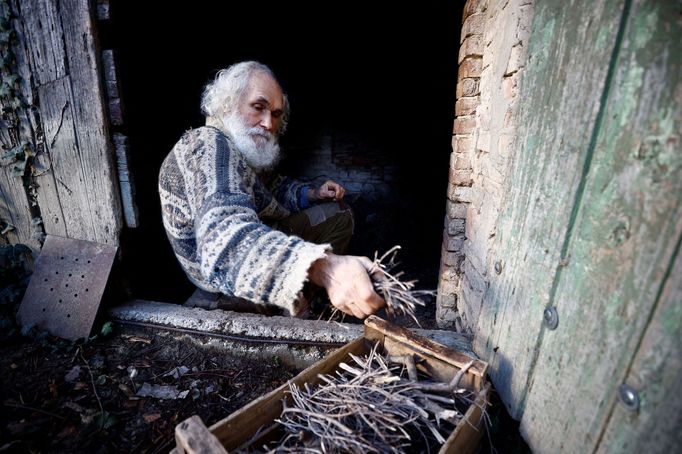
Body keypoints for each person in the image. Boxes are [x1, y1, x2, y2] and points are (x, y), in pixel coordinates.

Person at [158, 61, 385, 319]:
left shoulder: (238, 147)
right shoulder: (208, 147)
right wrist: (324, 267)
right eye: (258, 107)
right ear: (228, 103)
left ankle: (303, 294)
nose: (268, 123)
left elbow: (271, 186)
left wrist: (313, 194)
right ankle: (254, 302)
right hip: (219, 275)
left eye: (276, 114)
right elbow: (223, 241)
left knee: (338, 213)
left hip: (259, 233)